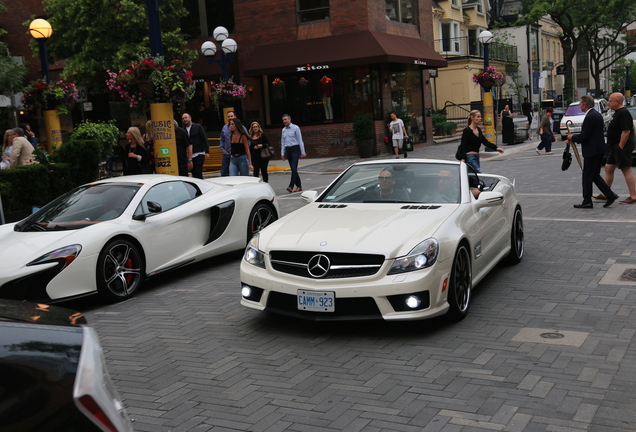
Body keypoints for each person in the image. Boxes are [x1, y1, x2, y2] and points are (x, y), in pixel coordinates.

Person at [567, 95, 618, 209]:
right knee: (594, 175)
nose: (580, 106)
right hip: (598, 149)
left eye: (580, 104)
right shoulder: (596, 114)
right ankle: (610, 195)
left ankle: (587, 200)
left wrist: (572, 137)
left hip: (592, 151)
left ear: (585, 104)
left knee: (587, 176)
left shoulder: (590, 116)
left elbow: (585, 136)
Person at [593, 93, 636, 204]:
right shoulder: (616, 113)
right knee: (608, 168)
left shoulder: (623, 113)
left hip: (621, 146)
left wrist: (620, 148)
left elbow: (626, 132)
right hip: (614, 146)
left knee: (626, 169)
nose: (608, 103)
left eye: (610, 101)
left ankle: (633, 196)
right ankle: (606, 193)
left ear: (617, 102)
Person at [280, 114, 306, 192]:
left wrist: (303, 152)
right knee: (293, 168)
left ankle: (291, 186)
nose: (284, 121)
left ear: (289, 119)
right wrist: (282, 153)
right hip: (288, 150)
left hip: (295, 148)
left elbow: (300, 140)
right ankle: (299, 186)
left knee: (294, 167)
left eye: (285, 119)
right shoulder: (283, 130)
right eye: (283, 120)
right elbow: (283, 142)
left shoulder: (295, 128)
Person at [181, 113, 208, 179]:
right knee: (193, 173)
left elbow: (204, 139)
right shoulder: (183, 130)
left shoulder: (198, 127)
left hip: (199, 153)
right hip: (189, 155)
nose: (184, 119)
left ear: (190, 118)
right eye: (183, 118)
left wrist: (207, 151)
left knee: (198, 171)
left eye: (186, 117)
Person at [218, 111, 241, 177]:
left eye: (231, 116)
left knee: (237, 174)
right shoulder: (225, 128)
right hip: (227, 154)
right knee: (224, 173)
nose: (230, 118)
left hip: (237, 155)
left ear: (235, 117)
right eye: (228, 116)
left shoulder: (241, 127)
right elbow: (222, 139)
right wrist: (223, 149)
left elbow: (247, 141)